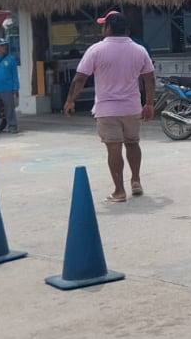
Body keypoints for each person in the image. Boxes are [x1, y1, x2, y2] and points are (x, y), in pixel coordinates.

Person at [63, 11, 156, 203]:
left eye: (104, 25)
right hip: (132, 107)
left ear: (109, 28)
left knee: (114, 149)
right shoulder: (139, 50)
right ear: (126, 29)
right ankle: (136, 181)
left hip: (107, 109)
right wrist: (149, 103)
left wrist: (71, 100)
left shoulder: (96, 50)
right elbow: (150, 78)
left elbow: (80, 77)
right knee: (133, 143)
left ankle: (119, 190)